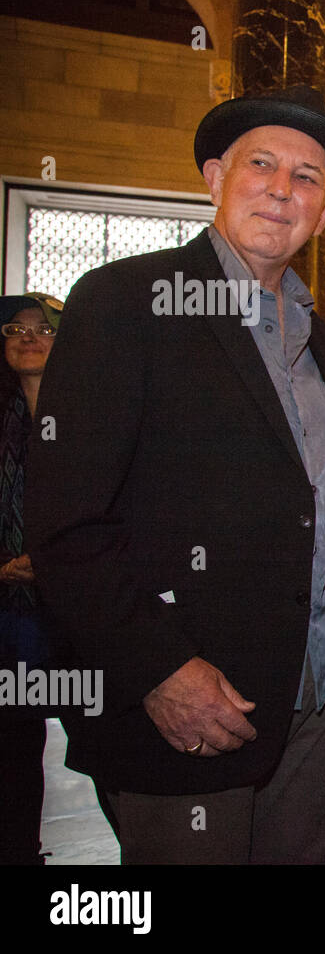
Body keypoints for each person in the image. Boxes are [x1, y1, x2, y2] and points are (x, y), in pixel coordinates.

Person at [25, 85, 325, 864]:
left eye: (309, 179)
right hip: (190, 713)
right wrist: (159, 670)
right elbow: (66, 520)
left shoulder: (317, 337)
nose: (283, 189)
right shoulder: (126, 300)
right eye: (262, 164)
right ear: (215, 177)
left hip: (312, 708)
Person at [0, 292, 61, 864]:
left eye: (41, 328)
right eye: (13, 328)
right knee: (15, 739)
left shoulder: (93, 416)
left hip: (77, 604)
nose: (26, 336)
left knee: (101, 740)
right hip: (9, 606)